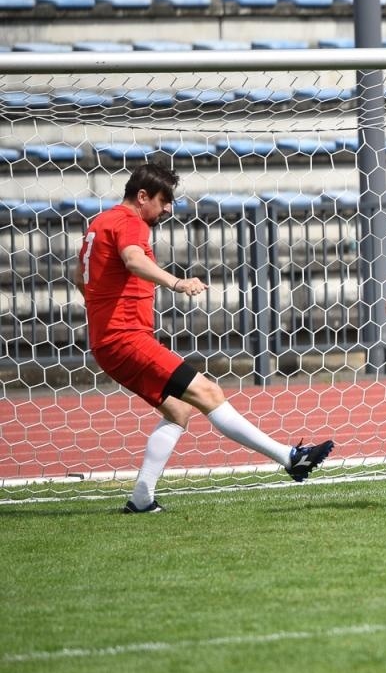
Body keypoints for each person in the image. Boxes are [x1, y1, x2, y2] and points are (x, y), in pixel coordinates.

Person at [70, 164, 334, 513]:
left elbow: (79, 278)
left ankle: (141, 500)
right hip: (126, 338)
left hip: (109, 342)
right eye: (164, 200)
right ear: (143, 196)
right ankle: (290, 458)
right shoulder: (130, 222)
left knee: (178, 411)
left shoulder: (100, 223)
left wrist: (103, 312)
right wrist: (177, 282)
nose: (167, 209)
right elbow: (133, 260)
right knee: (208, 393)